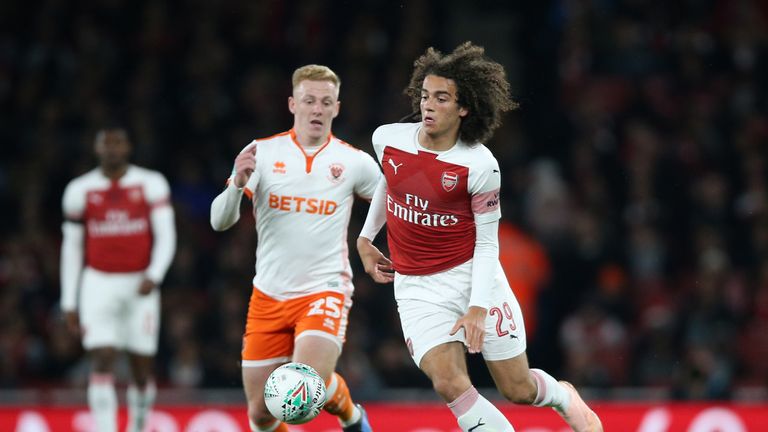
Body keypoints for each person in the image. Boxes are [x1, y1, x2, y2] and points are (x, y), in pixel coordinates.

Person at [357, 42, 603, 432]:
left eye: (441, 98)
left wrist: (477, 306)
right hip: (417, 286)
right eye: (424, 96)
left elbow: (488, 243)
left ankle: (562, 395)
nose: (428, 106)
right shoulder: (387, 138)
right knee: (449, 382)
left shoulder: (480, 165)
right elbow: (391, 184)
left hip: (472, 276)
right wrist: (366, 238)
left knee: (517, 388)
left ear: (463, 107)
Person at [210, 64, 380, 432]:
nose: (317, 109)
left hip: (324, 290)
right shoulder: (262, 153)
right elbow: (219, 221)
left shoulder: (354, 162)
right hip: (268, 295)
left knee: (303, 389)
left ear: (337, 108)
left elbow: (393, 206)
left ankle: (351, 415)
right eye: (309, 101)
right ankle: (346, 410)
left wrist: (368, 242)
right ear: (292, 104)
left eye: (325, 102)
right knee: (260, 414)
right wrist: (236, 185)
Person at [60, 126, 177, 432]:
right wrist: (69, 300)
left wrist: (155, 274)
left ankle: (138, 425)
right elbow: (71, 248)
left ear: (128, 148)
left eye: (118, 143)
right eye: (106, 144)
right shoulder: (79, 190)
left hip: (139, 283)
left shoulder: (150, 183)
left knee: (141, 367)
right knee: (102, 356)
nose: (112, 149)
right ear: (97, 149)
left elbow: (166, 234)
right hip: (98, 282)